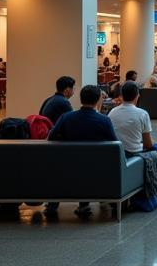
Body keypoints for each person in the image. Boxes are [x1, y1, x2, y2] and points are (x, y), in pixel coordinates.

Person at [46, 84, 118, 216]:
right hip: (95, 166)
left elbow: (51, 137)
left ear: (81, 99)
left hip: (68, 163)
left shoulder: (66, 117)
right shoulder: (104, 120)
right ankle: (84, 205)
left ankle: (52, 205)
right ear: (97, 100)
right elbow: (114, 144)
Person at [109, 81, 157, 208]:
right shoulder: (142, 114)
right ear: (137, 95)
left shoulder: (112, 112)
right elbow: (148, 144)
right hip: (135, 152)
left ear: (121, 96)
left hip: (119, 152)